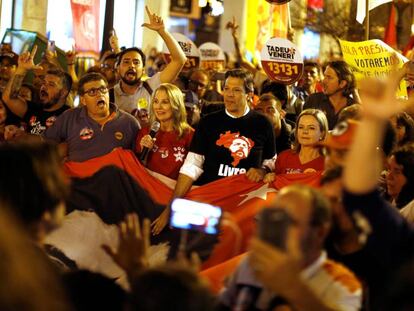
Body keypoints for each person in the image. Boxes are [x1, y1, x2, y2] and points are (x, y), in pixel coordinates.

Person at [152, 69, 276, 235]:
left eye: (236, 90)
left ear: (249, 94)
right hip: (209, 203)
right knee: (198, 252)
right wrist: (170, 208)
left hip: (242, 208)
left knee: (228, 255)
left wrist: (263, 170)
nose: (229, 94)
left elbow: (271, 160)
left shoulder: (263, 124)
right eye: (226, 89)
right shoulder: (208, 122)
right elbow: (191, 167)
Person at [218, 184, 362, 311]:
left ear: (320, 232)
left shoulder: (343, 283)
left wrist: (292, 286)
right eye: (275, 218)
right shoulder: (252, 265)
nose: (278, 228)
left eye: (290, 221)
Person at [44, 72, 139, 162]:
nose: (99, 94)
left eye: (103, 89)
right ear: (83, 100)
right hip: (78, 177)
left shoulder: (129, 123)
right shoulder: (69, 117)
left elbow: (138, 161)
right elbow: (45, 144)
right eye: (92, 91)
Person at [112, 6, 186, 113]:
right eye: (126, 62)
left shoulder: (153, 86)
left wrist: (162, 31)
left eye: (136, 62)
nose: (131, 65)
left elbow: (179, 60)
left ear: (143, 70)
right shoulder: (109, 95)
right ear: (118, 68)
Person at [2, 46, 72, 135]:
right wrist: (22, 69)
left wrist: (25, 137)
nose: (43, 86)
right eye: (44, 82)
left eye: (51, 84)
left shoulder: (70, 117)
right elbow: (8, 98)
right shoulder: (34, 109)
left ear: (63, 92)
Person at [136, 83, 194, 180]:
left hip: (175, 190)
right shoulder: (145, 132)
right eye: (156, 101)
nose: (158, 107)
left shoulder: (189, 135)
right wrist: (144, 152)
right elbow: (137, 170)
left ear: (176, 105)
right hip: (148, 188)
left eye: (165, 102)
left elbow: (193, 170)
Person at [264, 109, 327, 182]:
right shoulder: (284, 157)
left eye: (311, 128)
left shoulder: (329, 163)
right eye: (301, 127)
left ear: (322, 133)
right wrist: (270, 176)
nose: (305, 132)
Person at [304, 60, 359, 129]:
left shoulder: (353, 108)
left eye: (329, 77)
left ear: (342, 83)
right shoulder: (313, 100)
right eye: (324, 76)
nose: (324, 81)